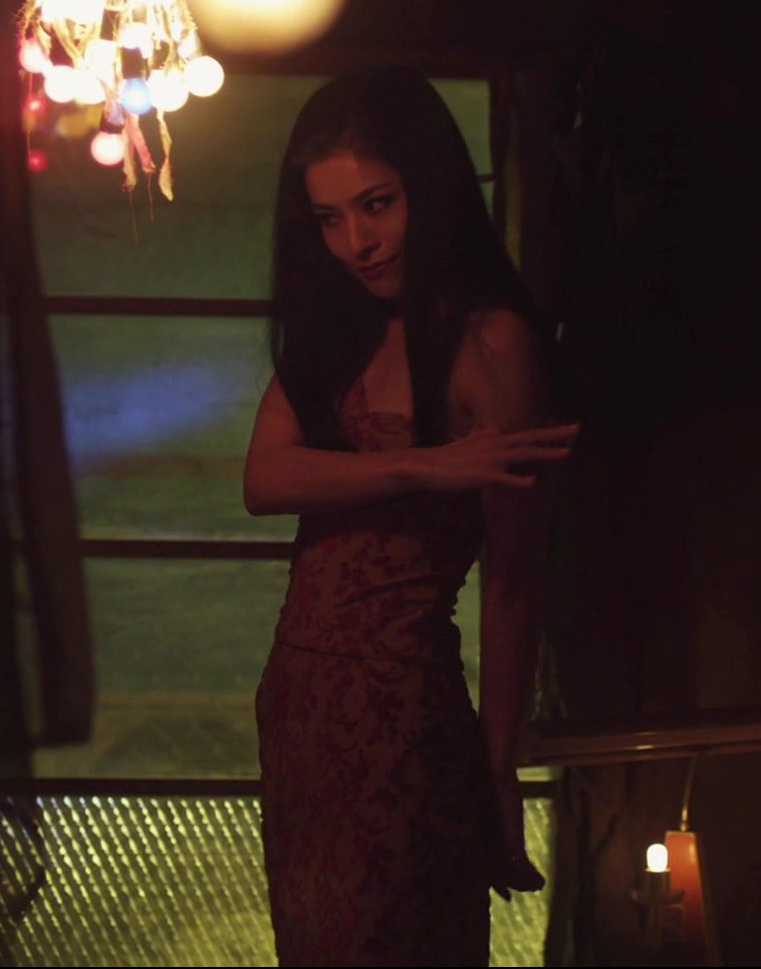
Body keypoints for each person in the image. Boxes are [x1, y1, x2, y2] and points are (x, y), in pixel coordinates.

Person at [243, 67, 579, 966]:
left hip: (397, 710)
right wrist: (424, 464)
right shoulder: (340, 327)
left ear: (429, 186)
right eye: (328, 218)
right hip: (298, 706)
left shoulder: (492, 344)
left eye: (377, 205)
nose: (356, 243)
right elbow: (264, 478)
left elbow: (514, 589)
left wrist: (499, 770)